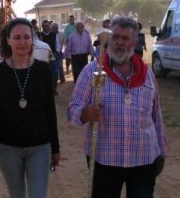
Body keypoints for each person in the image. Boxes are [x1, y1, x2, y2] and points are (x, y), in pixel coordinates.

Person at [67, 17, 167, 198]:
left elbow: (156, 115)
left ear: (134, 42)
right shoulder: (92, 72)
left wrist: (161, 150)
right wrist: (86, 113)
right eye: (115, 37)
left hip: (143, 159)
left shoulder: (148, 74)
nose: (119, 42)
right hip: (104, 160)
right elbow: (73, 109)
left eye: (125, 38)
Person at [0, 18, 60, 198]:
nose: (22, 42)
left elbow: (50, 110)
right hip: (8, 146)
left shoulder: (43, 70)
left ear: (33, 39)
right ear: (8, 40)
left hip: (40, 146)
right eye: (17, 38)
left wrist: (55, 148)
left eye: (27, 37)